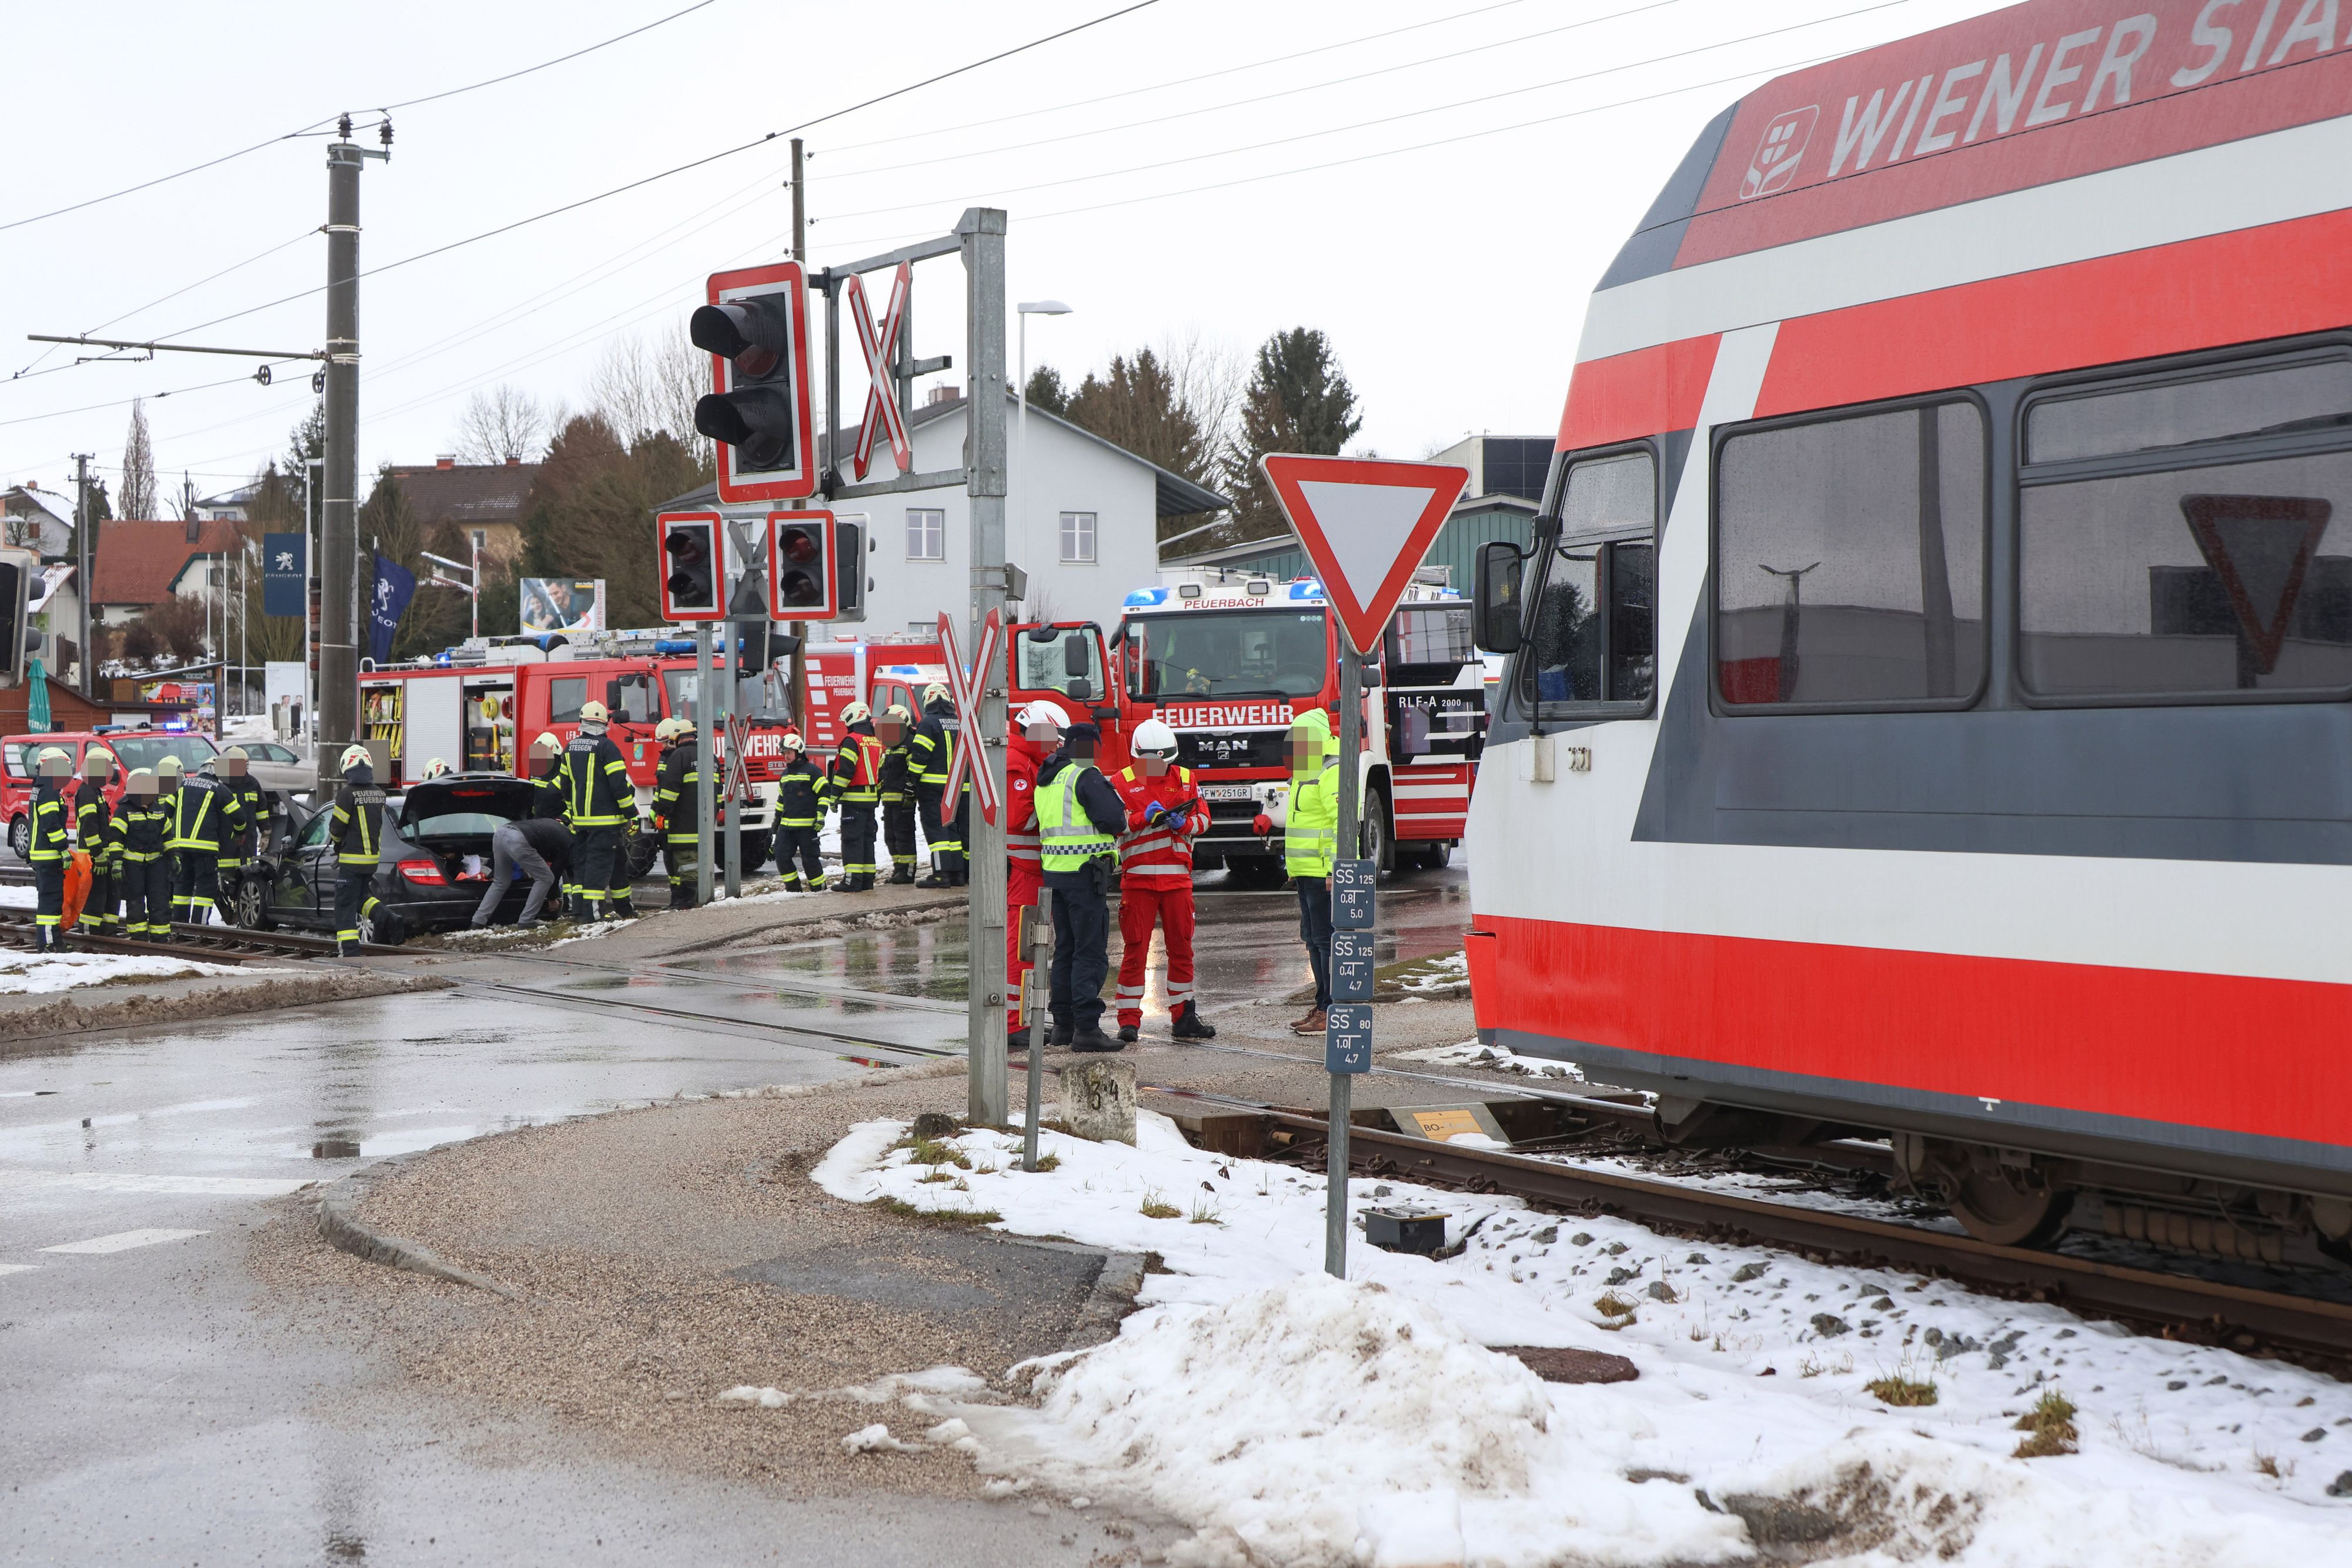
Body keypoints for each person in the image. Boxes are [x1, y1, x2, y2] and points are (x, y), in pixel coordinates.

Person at [1111, 718, 1215, 1044]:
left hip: (1177, 882)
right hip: (1138, 881)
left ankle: (1183, 1016)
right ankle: (1128, 1022)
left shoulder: (1186, 778)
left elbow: (1204, 821)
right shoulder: (1119, 782)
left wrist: (1183, 823)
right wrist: (1142, 819)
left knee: (1182, 949)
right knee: (1135, 952)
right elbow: (1113, 825)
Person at [1035, 720, 1128, 1052]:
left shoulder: (1046, 778)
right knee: (1089, 952)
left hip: (1056, 875)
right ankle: (1087, 1029)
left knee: (1066, 951)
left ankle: (1064, 1026)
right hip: (1085, 875)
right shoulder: (1083, 775)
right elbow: (1115, 819)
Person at [1258, 708, 1340, 1035]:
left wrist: (1338, 872)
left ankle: (1330, 1009)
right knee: (1313, 940)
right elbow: (1300, 824)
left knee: (1325, 941)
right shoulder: (1306, 772)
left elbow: (1342, 825)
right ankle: (1322, 1004)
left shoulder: (1330, 772)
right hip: (1307, 873)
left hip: (1324, 874)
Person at [1005, 699, 1067, 1049]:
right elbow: (1020, 817)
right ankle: (1014, 1024)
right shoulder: (1017, 763)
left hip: (1035, 872)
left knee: (1034, 948)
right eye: (1054, 739)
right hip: (1024, 873)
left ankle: (1025, 1020)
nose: (1058, 745)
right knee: (1021, 949)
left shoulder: (1030, 761)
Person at [557, 700, 637, 921]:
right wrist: (631, 814)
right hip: (606, 824)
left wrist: (574, 814)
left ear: (581, 722)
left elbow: (565, 787)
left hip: (582, 823)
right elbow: (619, 786)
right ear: (605, 723)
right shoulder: (608, 747)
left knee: (594, 865)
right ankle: (592, 917)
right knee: (599, 868)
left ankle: (622, 910)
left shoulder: (570, 747)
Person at [162, 751, 244, 927]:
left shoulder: (181, 785)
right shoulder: (219, 789)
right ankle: (199, 926)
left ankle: (180, 924)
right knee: (205, 888)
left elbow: (165, 812)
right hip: (205, 850)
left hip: (180, 848)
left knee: (182, 886)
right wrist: (239, 833)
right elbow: (239, 816)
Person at [328, 743, 386, 956]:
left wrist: (336, 842)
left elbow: (337, 828)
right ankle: (386, 917)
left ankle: (350, 951)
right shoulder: (379, 793)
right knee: (361, 896)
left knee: (344, 904)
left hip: (352, 860)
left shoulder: (347, 794)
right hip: (371, 861)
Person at [909, 683, 967, 887]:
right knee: (953, 832)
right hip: (959, 788)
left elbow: (920, 756)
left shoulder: (929, 722)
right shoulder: (959, 721)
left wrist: (911, 779)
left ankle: (941, 875)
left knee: (937, 832)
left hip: (933, 789)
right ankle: (958, 875)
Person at [471, 811, 567, 930]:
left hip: (500, 833)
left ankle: (478, 922)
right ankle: (527, 920)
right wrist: (553, 899)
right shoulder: (568, 843)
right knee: (546, 878)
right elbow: (555, 873)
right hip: (518, 839)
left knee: (501, 882)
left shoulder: (553, 829)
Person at [828, 701, 885, 892]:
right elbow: (881, 773)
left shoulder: (852, 741)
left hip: (854, 801)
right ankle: (867, 881)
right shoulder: (876, 741)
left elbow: (845, 771)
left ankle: (852, 882)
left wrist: (835, 795)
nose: (846, 725)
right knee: (867, 840)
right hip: (871, 801)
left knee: (852, 841)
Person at [650, 717, 701, 909]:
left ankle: (682, 899)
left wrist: (660, 813)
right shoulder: (700, 755)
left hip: (675, 819)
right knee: (676, 860)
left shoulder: (674, 758)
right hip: (687, 818)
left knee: (679, 860)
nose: (664, 745)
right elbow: (661, 789)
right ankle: (678, 899)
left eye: (666, 741)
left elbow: (668, 789)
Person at [212, 746, 267, 920]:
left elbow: (261, 810)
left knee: (248, 876)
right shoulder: (220, 785)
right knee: (225, 878)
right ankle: (228, 909)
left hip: (248, 840)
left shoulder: (253, 783)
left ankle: (242, 911)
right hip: (226, 840)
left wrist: (266, 833)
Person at [116, 770, 172, 939]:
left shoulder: (158, 810)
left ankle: (160, 938)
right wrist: (117, 862)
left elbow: (168, 835)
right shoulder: (124, 811)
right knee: (135, 902)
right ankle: (139, 937)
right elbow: (115, 839)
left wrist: (174, 856)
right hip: (133, 866)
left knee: (159, 901)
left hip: (156, 865)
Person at [773, 732, 830, 892]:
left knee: (810, 861)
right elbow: (781, 800)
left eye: (789, 752)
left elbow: (825, 793)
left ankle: (819, 890)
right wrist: (775, 824)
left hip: (807, 826)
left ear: (798, 752)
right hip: (786, 827)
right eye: (784, 753)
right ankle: (793, 890)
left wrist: (820, 815)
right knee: (781, 857)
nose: (786, 756)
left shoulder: (812, 772)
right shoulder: (784, 775)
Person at [28, 747, 72, 951]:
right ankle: (48, 945)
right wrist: (63, 849)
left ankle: (53, 943)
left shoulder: (40, 788)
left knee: (51, 901)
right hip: (48, 856)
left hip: (42, 855)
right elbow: (51, 825)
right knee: (50, 903)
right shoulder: (48, 792)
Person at [75, 745, 120, 936]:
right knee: (94, 896)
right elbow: (89, 827)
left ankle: (106, 931)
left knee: (109, 894)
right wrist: (98, 854)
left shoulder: (95, 791)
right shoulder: (87, 792)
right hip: (92, 856)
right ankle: (90, 933)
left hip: (101, 855)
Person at [877, 703, 920, 884]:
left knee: (904, 837)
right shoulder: (890, 746)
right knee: (891, 837)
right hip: (889, 801)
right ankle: (898, 869)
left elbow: (914, 771)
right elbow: (882, 771)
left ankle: (907, 872)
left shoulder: (910, 743)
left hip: (904, 800)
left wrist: (910, 792)